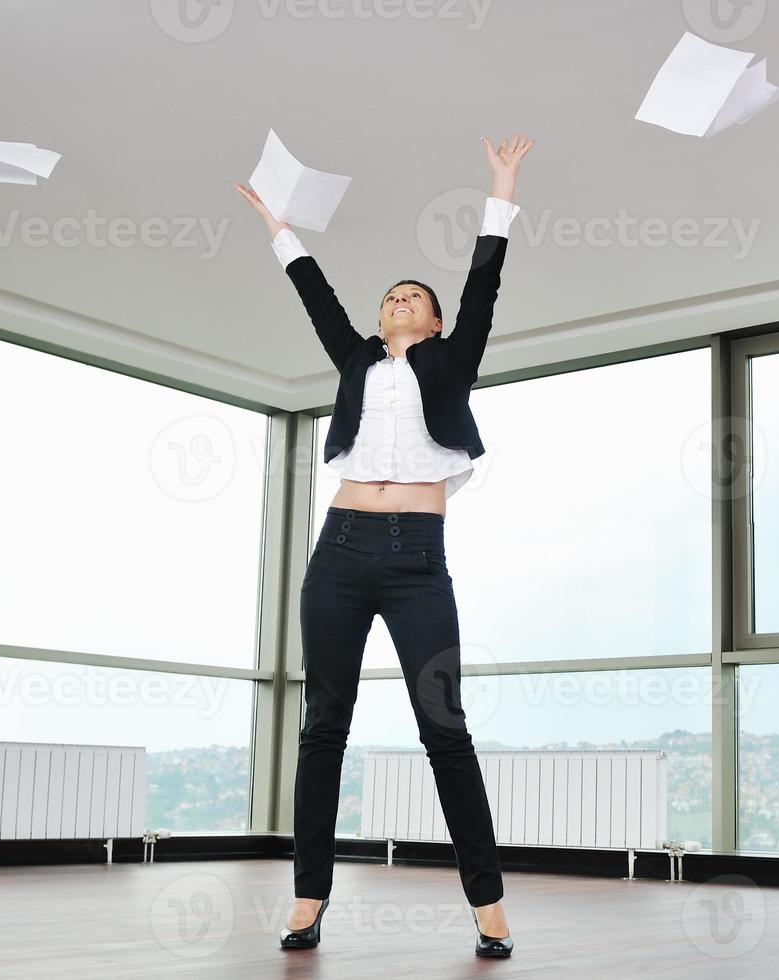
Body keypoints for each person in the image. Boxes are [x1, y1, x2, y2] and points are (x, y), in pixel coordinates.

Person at [234, 132, 533, 958]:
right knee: (324, 723)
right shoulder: (357, 361)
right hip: (340, 550)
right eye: (391, 296)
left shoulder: (450, 359)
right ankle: (306, 897)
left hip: (416, 561)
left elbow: (485, 282)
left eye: (414, 297)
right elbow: (316, 296)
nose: (399, 300)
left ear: (434, 322)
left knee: (445, 727)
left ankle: (488, 905)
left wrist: (500, 187)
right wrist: (279, 228)